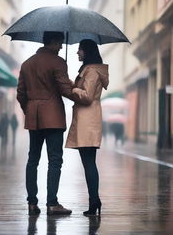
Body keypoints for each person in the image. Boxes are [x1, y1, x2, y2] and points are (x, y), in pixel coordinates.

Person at [17, 31, 75, 216]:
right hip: (53, 118)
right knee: (55, 160)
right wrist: (81, 92)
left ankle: (32, 203)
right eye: (60, 43)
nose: (61, 47)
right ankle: (52, 203)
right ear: (53, 41)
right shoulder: (58, 62)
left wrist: (30, 110)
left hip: (34, 117)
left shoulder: (26, 64)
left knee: (32, 159)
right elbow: (65, 89)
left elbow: (21, 94)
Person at [65, 39, 109, 216]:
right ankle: (94, 201)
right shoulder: (91, 70)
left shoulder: (91, 71)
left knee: (89, 163)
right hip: (88, 118)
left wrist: (73, 89)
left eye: (80, 50)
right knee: (89, 162)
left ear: (87, 51)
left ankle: (94, 202)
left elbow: (88, 96)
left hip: (88, 119)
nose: (77, 53)